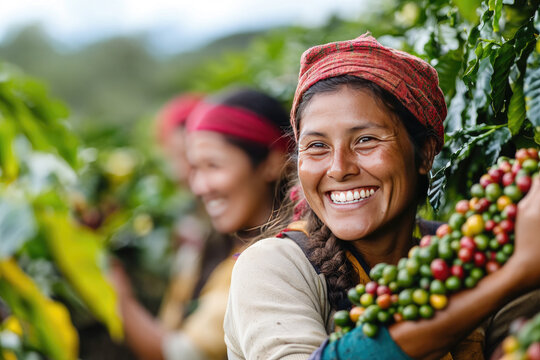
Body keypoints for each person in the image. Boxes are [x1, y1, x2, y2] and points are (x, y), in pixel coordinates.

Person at [223, 33, 540, 360]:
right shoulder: (274, 267)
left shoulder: (473, 253)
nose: (338, 168)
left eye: (366, 140)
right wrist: (512, 276)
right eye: (317, 146)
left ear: (426, 153)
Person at [112, 87, 292, 360]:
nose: (199, 186)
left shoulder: (279, 263)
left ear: (272, 162)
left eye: (214, 166)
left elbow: (180, 354)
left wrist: (118, 295)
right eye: (194, 167)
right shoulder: (210, 245)